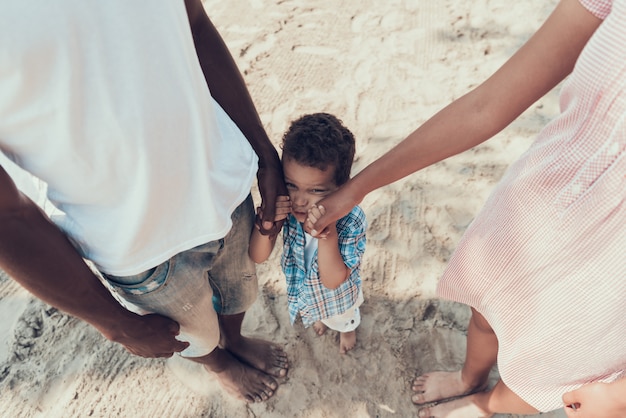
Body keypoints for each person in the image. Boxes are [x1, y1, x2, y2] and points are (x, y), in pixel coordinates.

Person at [305, 0, 625, 416]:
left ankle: (486, 401)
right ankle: (469, 377)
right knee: (485, 309)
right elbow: (487, 105)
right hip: (538, 206)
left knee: (546, 373)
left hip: (611, 271)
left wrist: (621, 396)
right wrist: (357, 189)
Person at [0, 0, 289, 404]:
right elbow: (6, 214)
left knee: (239, 293)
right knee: (196, 336)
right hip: (139, 246)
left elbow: (195, 24)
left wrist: (264, 155)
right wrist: (114, 324)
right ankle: (219, 364)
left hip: (225, 182)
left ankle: (235, 340)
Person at [249, 113, 367, 354]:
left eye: (315, 190)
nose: (299, 200)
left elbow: (334, 281)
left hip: (339, 296)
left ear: (342, 188)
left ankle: (348, 329)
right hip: (305, 288)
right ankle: (318, 315)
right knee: (317, 310)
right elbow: (258, 256)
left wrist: (328, 235)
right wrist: (267, 225)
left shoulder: (352, 220)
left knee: (343, 316)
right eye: (291, 184)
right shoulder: (288, 208)